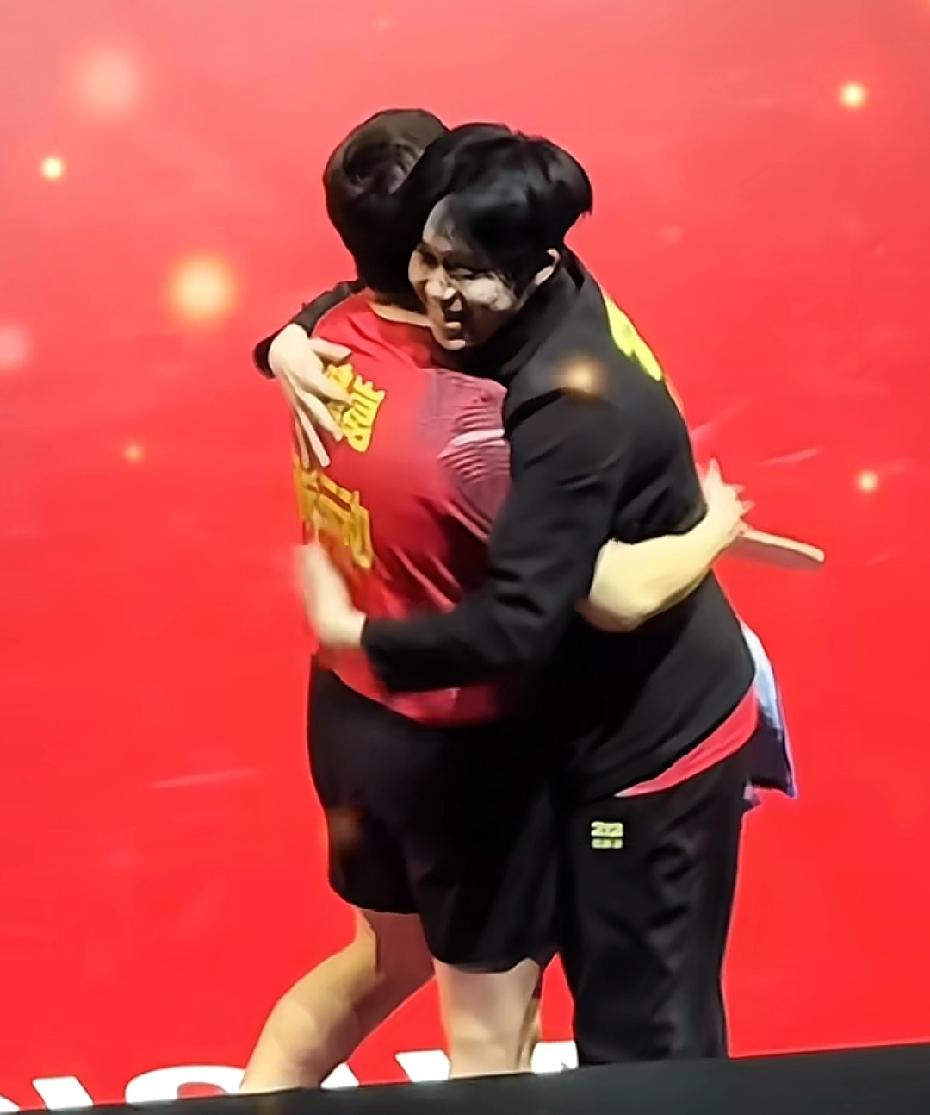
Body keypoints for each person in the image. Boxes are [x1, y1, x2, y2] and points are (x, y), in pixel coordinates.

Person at [243, 111, 752, 1090]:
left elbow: (335, 301)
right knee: (490, 1038)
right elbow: (605, 595)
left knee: (380, 958)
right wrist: (710, 530)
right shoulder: (482, 421)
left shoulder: (328, 345)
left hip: (347, 718)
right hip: (459, 754)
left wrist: (282, 344)